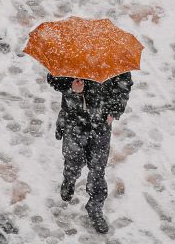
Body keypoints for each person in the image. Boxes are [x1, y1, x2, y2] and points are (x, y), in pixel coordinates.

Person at [46, 72, 134, 234]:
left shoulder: (112, 52)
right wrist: (70, 87)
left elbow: (124, 84)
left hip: (100, 124)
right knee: (73, 160)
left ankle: (95, 207)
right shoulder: (70, 51)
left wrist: (114, 110)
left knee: (98, 169)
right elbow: (53, 78)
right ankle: (69, 180)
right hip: (73, 120)